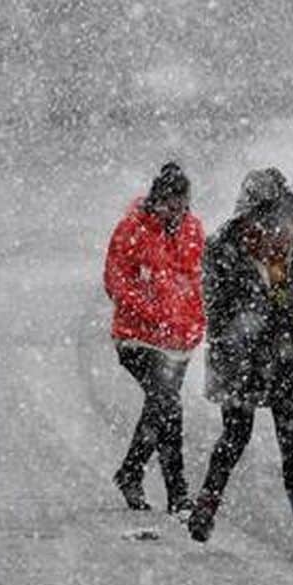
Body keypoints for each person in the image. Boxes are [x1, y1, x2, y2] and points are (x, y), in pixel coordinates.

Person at [187, 168, 293, 563]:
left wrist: (247, 326)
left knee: (235, 436)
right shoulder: (292, 237)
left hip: (247, 359)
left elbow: (214, 306)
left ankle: (206, 506)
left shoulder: (226, 241)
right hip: (284, 356)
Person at [103, 162, 206, 514]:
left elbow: (199, 280)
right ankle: (178, 495)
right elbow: (116, 282)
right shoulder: (131, 230)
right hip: (138, 340)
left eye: (182, 206)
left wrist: (196, 320)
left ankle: (130, 473)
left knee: (160, 408)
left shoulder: (194, 231)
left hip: (178, 342)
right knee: (168, 405)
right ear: (156, 200)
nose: (176, 213)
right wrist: (154, 314)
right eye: (170, 206)